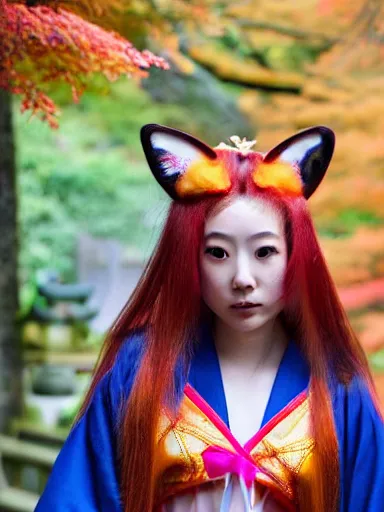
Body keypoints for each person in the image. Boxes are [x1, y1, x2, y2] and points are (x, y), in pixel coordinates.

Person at [35, 124, 384, 512]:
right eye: (218, 253)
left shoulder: (338, 385)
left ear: (295, 256)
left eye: (265, 252)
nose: (243, 278)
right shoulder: (140, 367)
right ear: (191, 258)